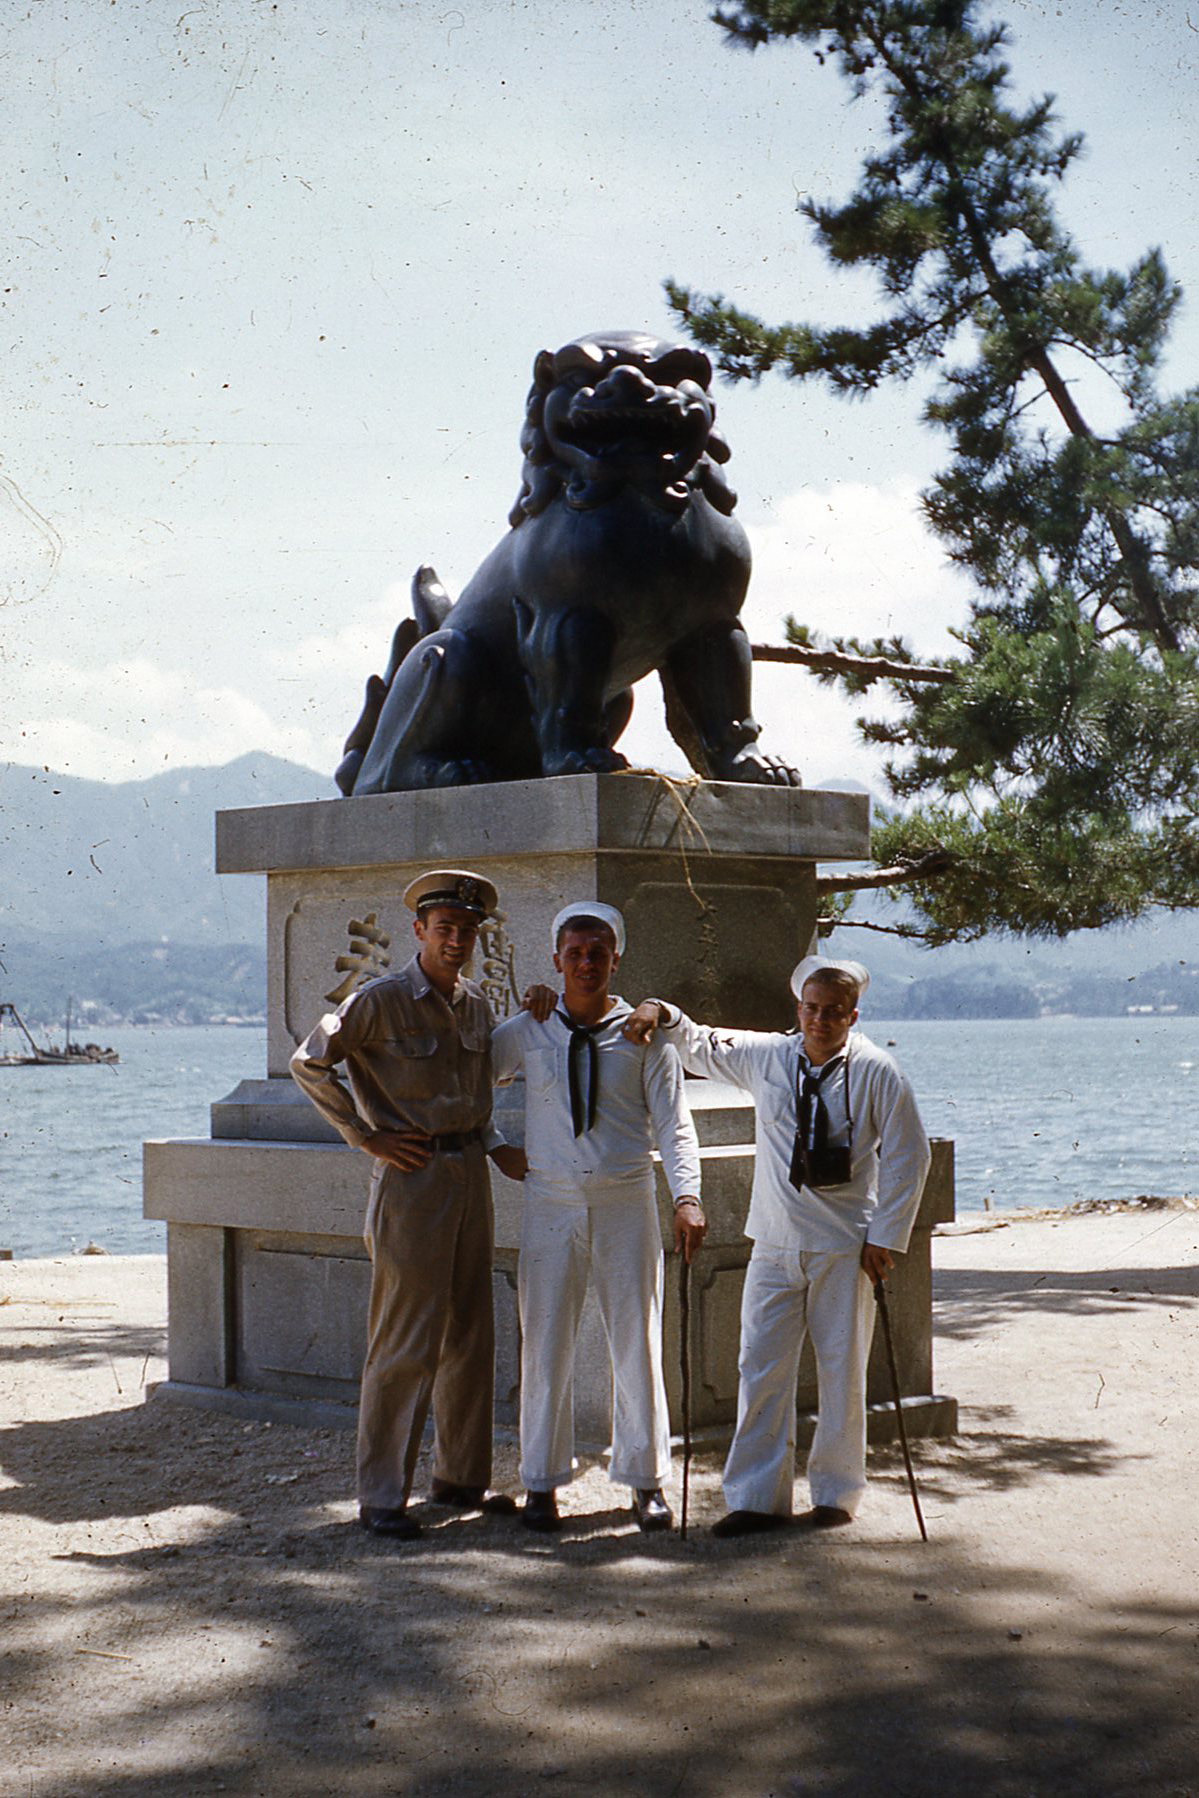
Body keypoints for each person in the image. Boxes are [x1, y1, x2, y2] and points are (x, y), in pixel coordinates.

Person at [624, 956, 930, 1537]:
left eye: (833, 1011)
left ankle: (837, 1494)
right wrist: (658, 1010)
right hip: (773, 1241)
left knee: (842, 1372)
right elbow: (699, 1043)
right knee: (760, 1367)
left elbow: (910, 1156)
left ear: (853, 1015)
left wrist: (884, 1238)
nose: (821, 1020)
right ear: (799, 1009)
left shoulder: (877, 1071)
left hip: (843, 1246)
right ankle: (757, 1499)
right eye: (812, 1009)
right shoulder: (770, 1056)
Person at [290, 868, 531, 1540]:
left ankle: (460, 1479)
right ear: (419, 931)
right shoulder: (380, 1000)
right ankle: (382, 1496)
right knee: (405, 1338)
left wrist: (495, 1146)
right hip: (412, 1180)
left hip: (469, 1175)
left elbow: (474, 1095)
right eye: (444, 927)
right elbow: (310, 1062)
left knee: (469, 1333)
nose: (456, 940)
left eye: (467, 930)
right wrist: (363, 1134)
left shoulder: (476, 1003)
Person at [493, 902, 706, 1534]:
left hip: (624, 1200)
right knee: (544, 1341)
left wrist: (687, 1197)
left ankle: (646, 1480)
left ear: (616, 960)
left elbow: (675, 1124)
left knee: (637, 1340)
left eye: (598, 953)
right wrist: (492, 1144)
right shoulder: (529, 1028)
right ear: (556, 960)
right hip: (551, 1202)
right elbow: (468, 1082)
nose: (586, 964)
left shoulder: (644, 1035)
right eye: (575, 953)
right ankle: (540, 1482)